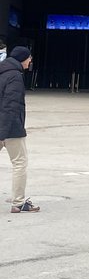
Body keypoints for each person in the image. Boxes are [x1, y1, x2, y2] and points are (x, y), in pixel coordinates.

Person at [0, 45, 40, 213]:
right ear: (23, 58)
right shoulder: (15, 76)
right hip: (10, 128)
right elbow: (11, 106)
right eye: (29, 58)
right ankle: (18, 202)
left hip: (4, 126)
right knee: (20, 163)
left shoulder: (2, 72)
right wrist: (2, 134)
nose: (30, 61)